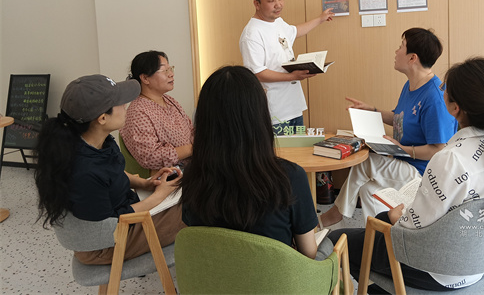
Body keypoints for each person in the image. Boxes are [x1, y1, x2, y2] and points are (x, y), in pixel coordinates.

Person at [328, 57, 484, 291]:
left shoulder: (450, 159)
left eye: (445, 89)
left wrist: (395, 216)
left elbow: (413, 228)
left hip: (435, 269)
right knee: (377, 221)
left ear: (455, 108)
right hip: (481, 264)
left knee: (337, 240)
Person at [180, 65, 333, 260]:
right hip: (276, 277)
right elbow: (308, 253)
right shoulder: (289, 176)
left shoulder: (192, 176)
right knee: (329, 244)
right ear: (259, 118)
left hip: (214, 275)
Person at [34, 74, 185, 265]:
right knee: (198, 208)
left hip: (122, 218)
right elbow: (114, 220)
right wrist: (158, 196)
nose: (126, 106)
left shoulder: (99, 142)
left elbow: (113, 173)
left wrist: (145, 183)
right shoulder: (84, 171)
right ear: (102, 118)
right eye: (120, 103)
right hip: (107, 243)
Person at [320, 28, 458, 227]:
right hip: (403, 164)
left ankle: (334, 215)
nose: (396, 51)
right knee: (368, 190)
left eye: (401, 46)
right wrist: (372, 110)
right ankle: (378, 237)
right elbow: (400, 119)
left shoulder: (434, 97)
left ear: (412, 58)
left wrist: (402, 149)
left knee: (365, 162)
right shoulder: (411, 85)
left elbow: (439, 149)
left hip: (422, 173)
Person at [239, 0, 334, 132]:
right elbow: (257, 73)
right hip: (274, 113)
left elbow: (294, 32)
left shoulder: (277, 22)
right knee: (280, 149)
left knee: (298, 148)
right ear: (257, 4)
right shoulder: (252, 34)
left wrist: (320, 19)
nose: (278, 5)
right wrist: (292, 76)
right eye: (271, 1)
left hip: (294, 107)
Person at [121, 50, 193, 172]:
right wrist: (192, 149)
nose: (171, 74)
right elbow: (150, 157)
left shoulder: (169, 100)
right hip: (169, 176)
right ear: (145, 78)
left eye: (171, 69)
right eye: (165, 71)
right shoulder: (138, 112)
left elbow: (190, 129)